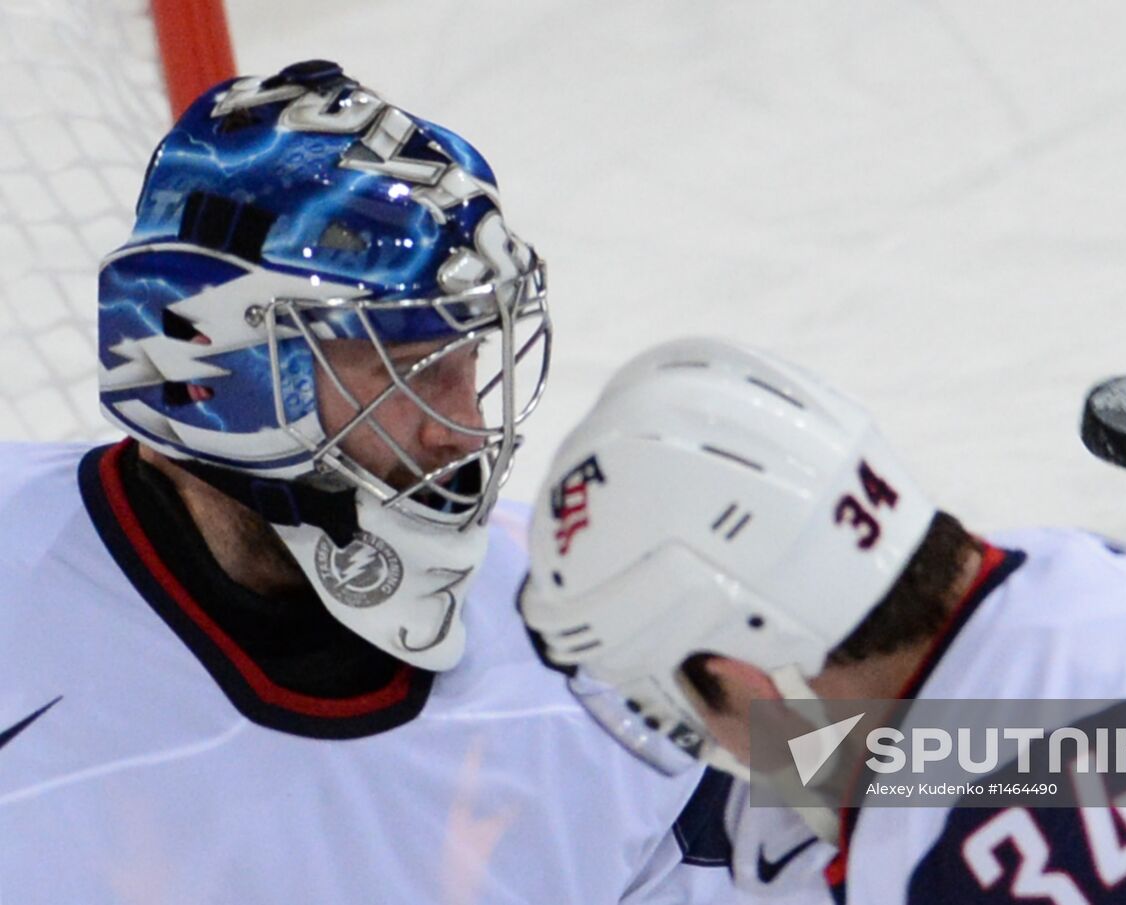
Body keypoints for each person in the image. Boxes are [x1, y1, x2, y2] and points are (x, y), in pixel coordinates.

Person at [0, 61, 734, 903]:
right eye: (411, 367)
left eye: (470, 358)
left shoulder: (620, 635)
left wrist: (892, 611)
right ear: (214, 370)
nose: (465, 426)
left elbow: (901, 772)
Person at [519, 336, 1126, 904]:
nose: (711, 739)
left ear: (750, 671)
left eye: (683, 701)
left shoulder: (1040, 828)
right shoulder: (1050, 588)